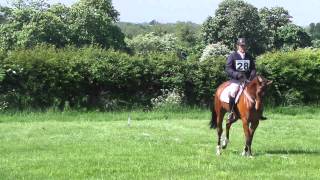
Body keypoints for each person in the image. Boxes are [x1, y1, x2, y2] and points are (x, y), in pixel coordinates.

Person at [225, 38, 267, 123]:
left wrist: (252, 74)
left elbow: (253, 68)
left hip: (248, 81)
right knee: (233, 92)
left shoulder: (249, 56)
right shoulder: (232, 56)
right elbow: (228, 69)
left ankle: (259, 113)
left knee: (259, 93)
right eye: (241, 46)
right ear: (237, 46)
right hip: (236, 80)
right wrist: (237, 74)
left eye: (244, 46)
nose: (243, 47)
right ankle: (231, 113)